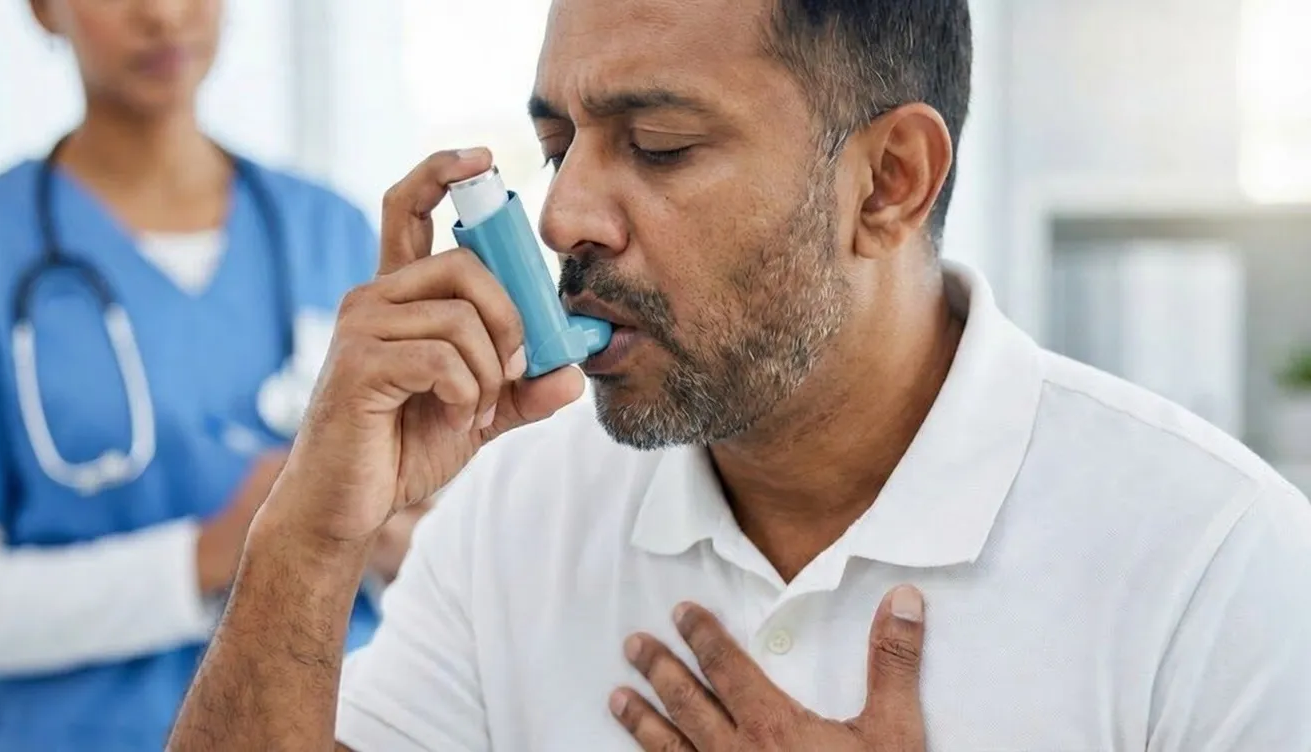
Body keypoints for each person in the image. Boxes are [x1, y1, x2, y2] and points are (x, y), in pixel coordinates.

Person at [170, 0, 1311, 749]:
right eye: (558, 143)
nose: (562, 213)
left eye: (657, 147)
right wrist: (308, 535)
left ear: (888, 182)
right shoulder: (509, 517)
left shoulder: (1217, 562)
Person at [0, 1, 416, 750]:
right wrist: (215, 554)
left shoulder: (329, 230)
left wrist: (387, 535)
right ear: (42, 10)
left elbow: (417, 542)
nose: (161, 14)